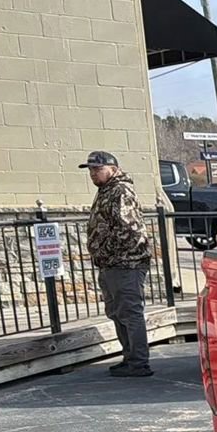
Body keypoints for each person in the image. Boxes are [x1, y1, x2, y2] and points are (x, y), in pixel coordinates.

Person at [81, 150, 154, 377]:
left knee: (130, 313)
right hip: (110, 264)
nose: (93, 174)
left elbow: (128, 230)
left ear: (112, 169)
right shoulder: (106, 190)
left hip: (126, 263)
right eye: (91, 170)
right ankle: (129, 356)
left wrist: (108, 253)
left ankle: (139, 362)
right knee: (116, 311)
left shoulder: (119, 191)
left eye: (98, 169)